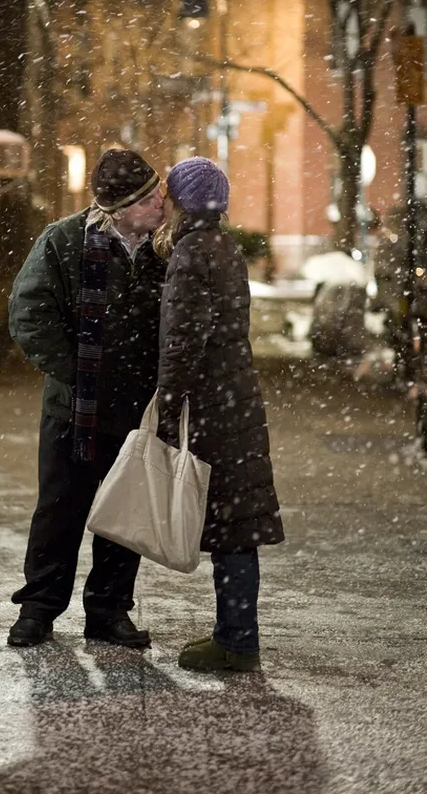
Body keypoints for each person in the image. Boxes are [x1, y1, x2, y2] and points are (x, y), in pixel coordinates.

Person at [7, 149, 166, 648]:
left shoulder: (164, 247)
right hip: (74, 409)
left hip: (138, 409)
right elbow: (29, 313)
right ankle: (38, 609)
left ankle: (109, 612)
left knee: (124, 514)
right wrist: (75, 373)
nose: (162, 201)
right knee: (60, 509)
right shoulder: (64, 240)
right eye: (150, 197)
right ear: (120, 208)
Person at [154, 156, 284, 673]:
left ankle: (236, 641)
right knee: (237, 521)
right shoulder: (225, 246)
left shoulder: (192, 252)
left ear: (183, 202)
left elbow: (183, 339)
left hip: (213, 401)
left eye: (168, 194)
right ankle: (235, 633)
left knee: (231, 525)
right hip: (235, 394)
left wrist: (168, 403)